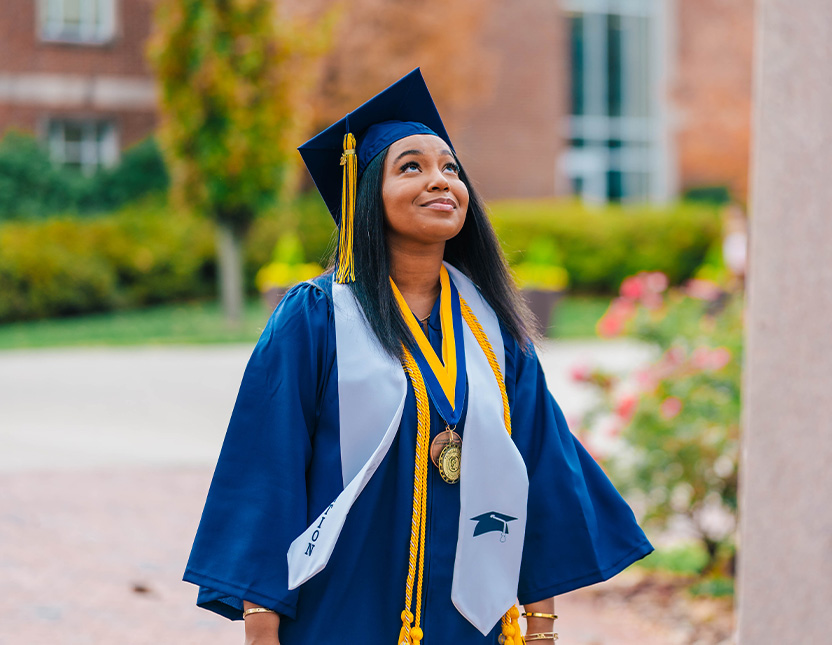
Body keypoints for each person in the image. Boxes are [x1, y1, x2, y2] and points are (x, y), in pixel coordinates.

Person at [184, 69, 653, 645]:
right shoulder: (318, 317)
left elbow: (539, 472)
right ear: (365, 194)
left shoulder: (494, 332)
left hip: (469, 622)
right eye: (412, 166)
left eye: (450, 168)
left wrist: (541, 625)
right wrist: (261, 628)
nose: (441, 181)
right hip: (342, 614)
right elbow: (266, 467)